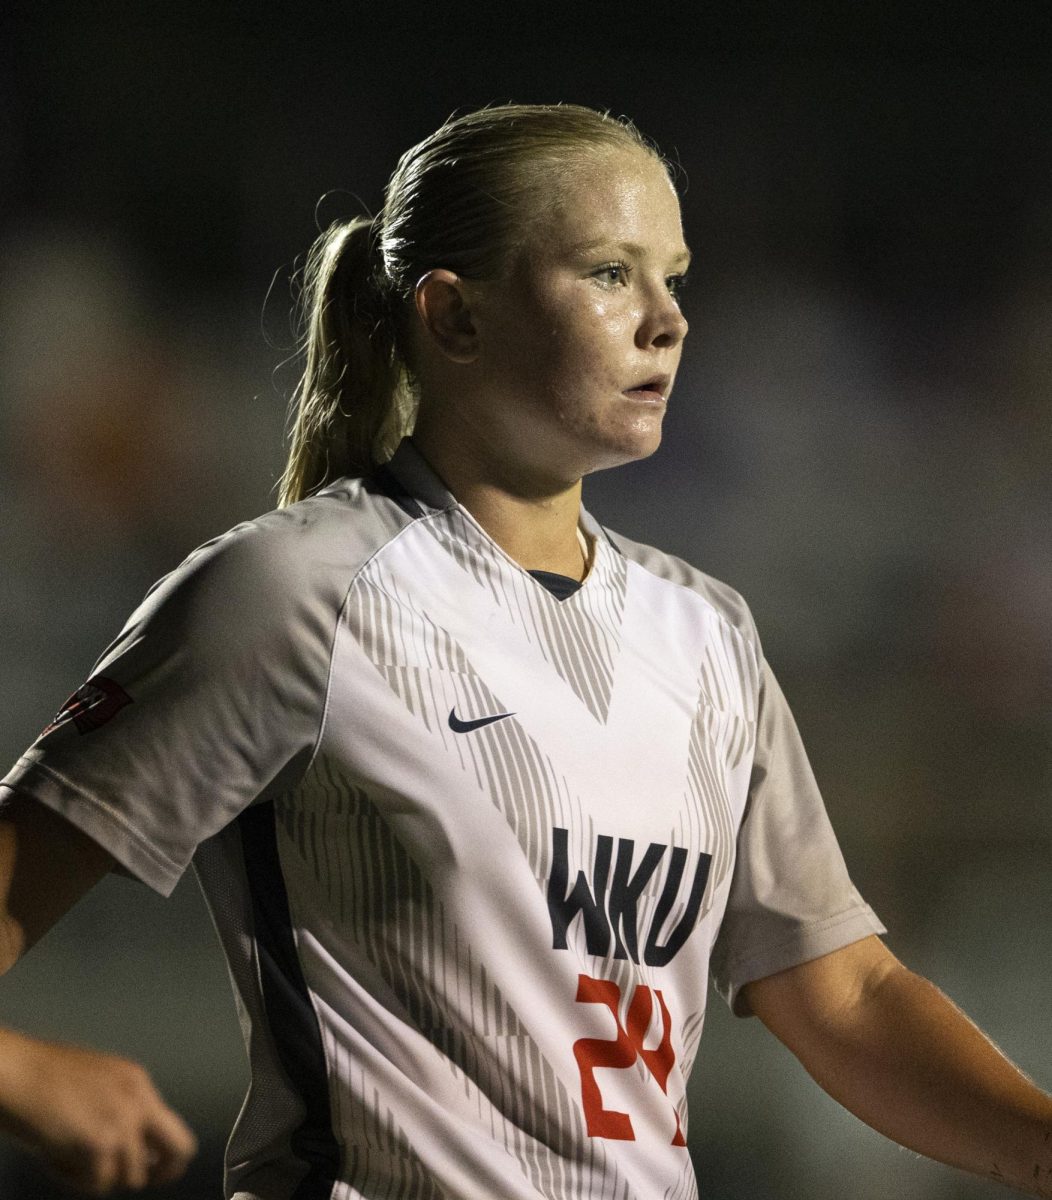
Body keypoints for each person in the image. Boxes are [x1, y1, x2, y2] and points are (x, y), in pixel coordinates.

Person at [0, 103, 1049, 1199]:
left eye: (673, 277)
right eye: (608, 272)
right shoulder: (294, 592)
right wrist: (19, 1068)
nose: (665, 321)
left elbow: (844, 998)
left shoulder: (707, 635)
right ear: (452, 316)